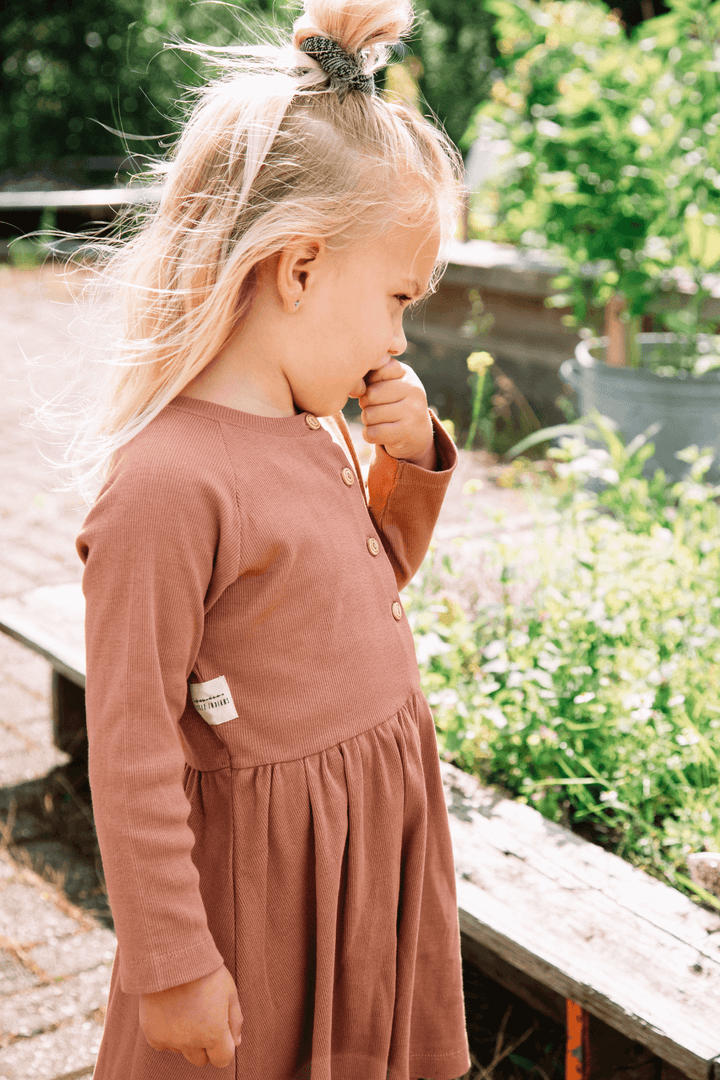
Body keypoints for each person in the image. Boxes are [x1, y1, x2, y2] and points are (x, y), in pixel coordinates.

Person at [75, 0, 471, 1076]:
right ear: (299, 269)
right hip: (269, 886)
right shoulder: (169, 484)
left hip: (366, 842)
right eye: (396, 299)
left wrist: (409, 464)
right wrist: (171, 963)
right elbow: (130, 742)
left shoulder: (312, 426)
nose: (398, 338)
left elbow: (358, 591)